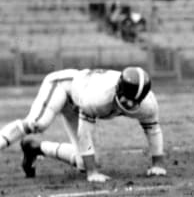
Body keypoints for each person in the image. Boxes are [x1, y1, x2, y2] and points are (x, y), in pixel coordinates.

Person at [0, 66, 166, 181]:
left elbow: (153, 130)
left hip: (80, 100)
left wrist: (157, 165)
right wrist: (92, 173)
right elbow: (84, 134)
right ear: (118, 89)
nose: (129, 104)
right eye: (126, 99)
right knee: (37, 123)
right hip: (63, 86)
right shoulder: (98, 98)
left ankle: (34, 148)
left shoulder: (148, 105)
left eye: (134, 101)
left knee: (84, 162)